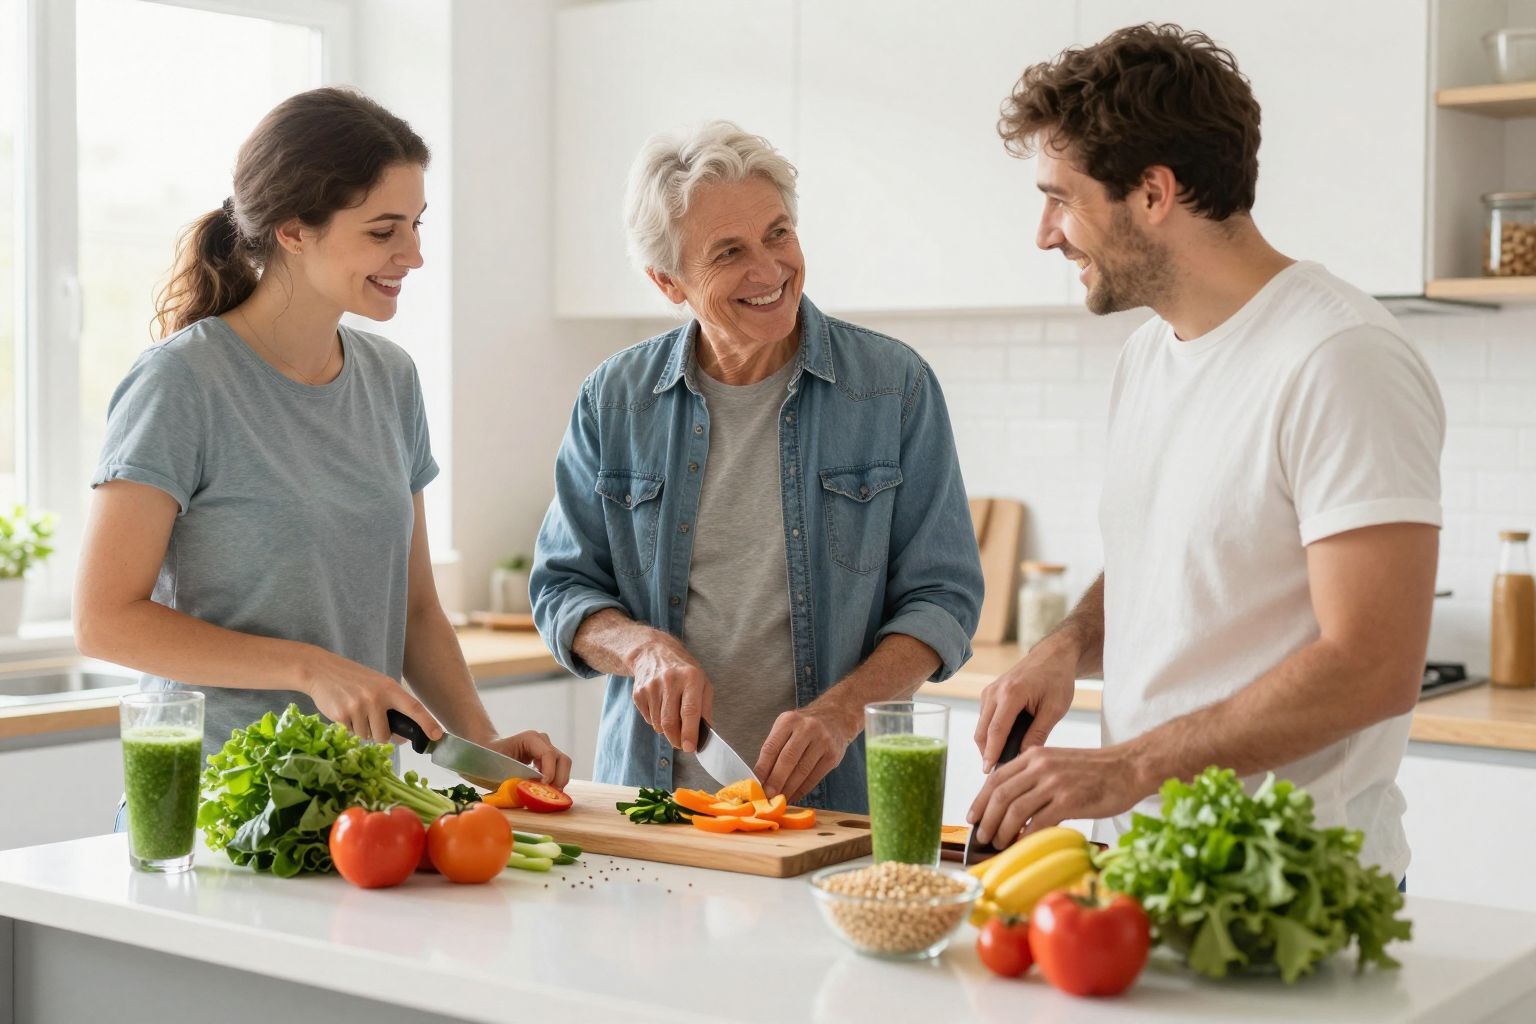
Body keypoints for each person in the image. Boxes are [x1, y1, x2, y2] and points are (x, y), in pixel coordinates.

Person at [967, 24, 1443, 882]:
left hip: (1295, 886)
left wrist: (1126, 768)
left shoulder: (1339, 357)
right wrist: (1065, 646)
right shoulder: (1150, 355)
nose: (1045, 234)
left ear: (1154, 192)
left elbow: (1372, 666)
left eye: (1061, 199)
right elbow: (1171, 567)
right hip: (1149, 865)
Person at [74, 87, 570, 792]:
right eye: (383, 231)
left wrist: (483, 744)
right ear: (293, 231)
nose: (413, 255)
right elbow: (103, 621)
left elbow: (415, 610)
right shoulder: (183, 382)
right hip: (216, 807)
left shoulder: (391, 378)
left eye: (416, 225)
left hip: (362, 801)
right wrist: (310, 668)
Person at [531, 121, 983, 810]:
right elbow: (563, 588)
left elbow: (943, 598)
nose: (770, 271)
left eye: (778, 234)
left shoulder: (894, 388)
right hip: (653, 805)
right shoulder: (614, 400)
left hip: (830, 810)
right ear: (668, 281)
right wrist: (641, 649)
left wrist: (843, 712)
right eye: (729, 252)